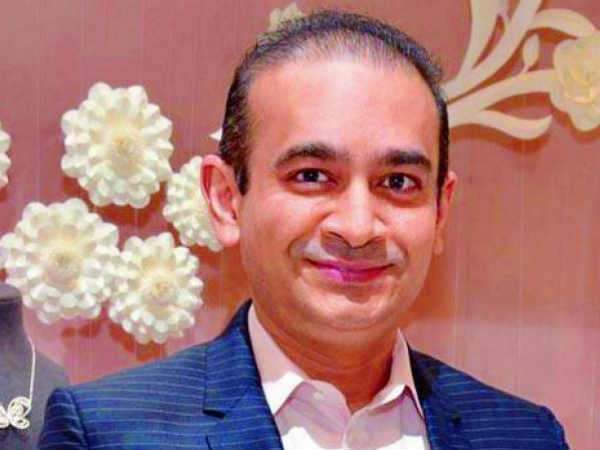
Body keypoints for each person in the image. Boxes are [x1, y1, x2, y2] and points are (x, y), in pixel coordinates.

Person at [39, 10, 568, 450]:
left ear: (441, 211)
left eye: (398, 182)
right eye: (311, 176)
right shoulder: (108, 432)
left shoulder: (525, 436)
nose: (357, 228)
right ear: (226, 200)